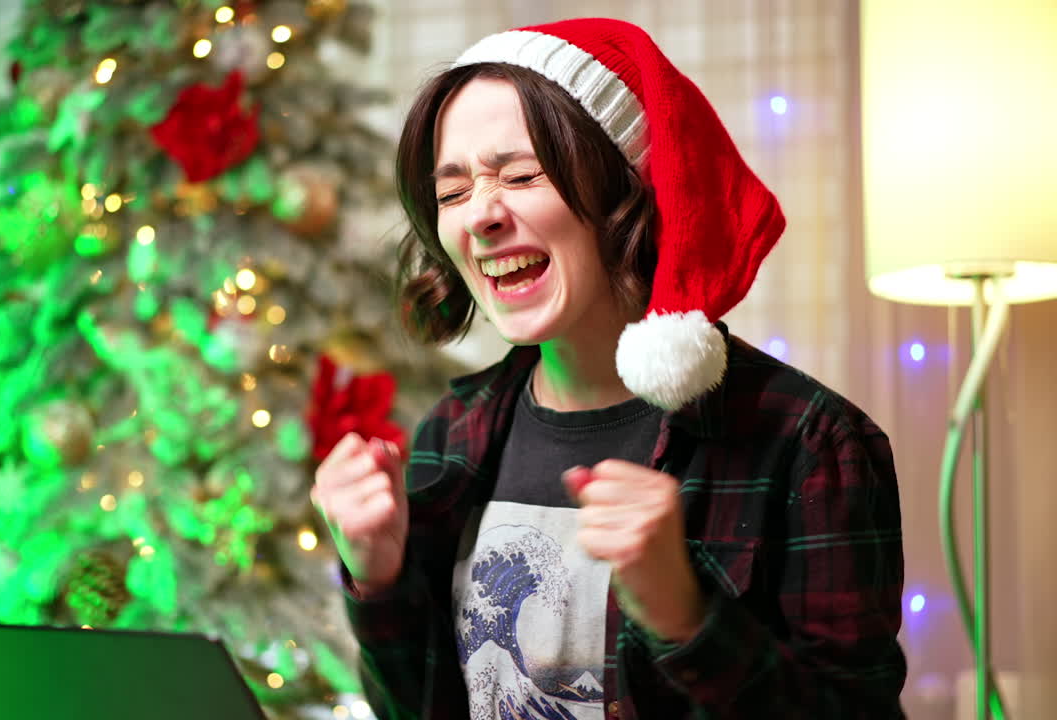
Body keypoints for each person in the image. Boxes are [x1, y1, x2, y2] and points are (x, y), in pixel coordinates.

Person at [311, 18, 905, 720]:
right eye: (452, 192)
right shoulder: (452, 435)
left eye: (521, 175)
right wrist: (378, 580)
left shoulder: (810, 445)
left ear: (629, 188)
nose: (481, 216)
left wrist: (689, 620)